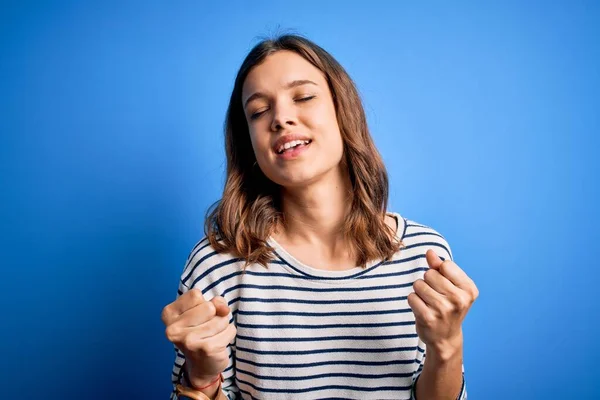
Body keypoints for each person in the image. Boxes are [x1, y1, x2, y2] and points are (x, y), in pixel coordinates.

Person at [161, 34, 479, 400]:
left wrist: (448, 345)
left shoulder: (423, 254)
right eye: (259, 111)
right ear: (249, 142)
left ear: (344, 111)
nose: (281, 118)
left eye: (304, 97)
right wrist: (200, 376)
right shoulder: (217, 266)